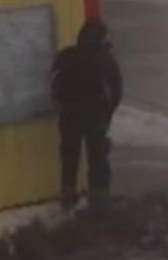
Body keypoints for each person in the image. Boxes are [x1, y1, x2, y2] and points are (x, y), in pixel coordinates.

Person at [51, 19, 123, 210]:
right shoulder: (106, 60)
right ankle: (99, 202)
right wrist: (106, 115)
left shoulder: (66, 56)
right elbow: (115, 93)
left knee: (69, 160)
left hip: (69, 117)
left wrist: (63, 106)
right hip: (96, 119)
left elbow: (55, 87)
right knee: (98, 160)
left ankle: (67, 198)